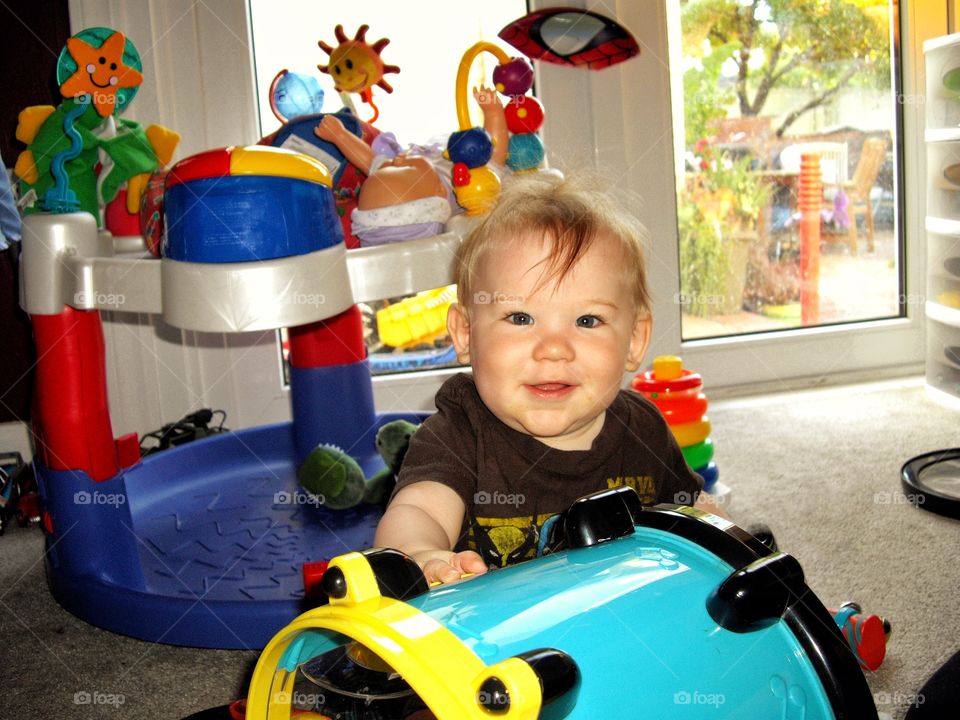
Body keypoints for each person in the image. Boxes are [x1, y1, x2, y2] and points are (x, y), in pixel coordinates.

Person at [374, 174, 726, 584]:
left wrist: (721, 531)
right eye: (521, 318)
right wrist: (419, 555)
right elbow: (421, 511)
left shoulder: (644, 429)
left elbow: (688, 510)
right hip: (492, 641)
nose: (554, 348)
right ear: (466, 334)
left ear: (634, 339)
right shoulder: (459, 433)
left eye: (587, 320)